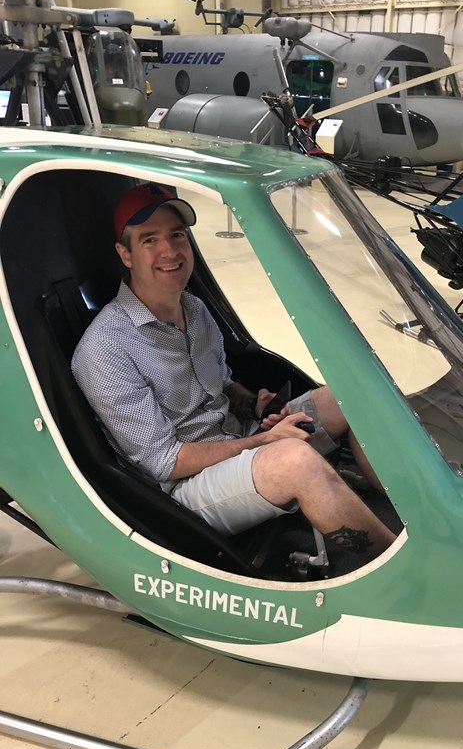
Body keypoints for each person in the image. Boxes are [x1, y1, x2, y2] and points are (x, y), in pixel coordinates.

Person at [72, 183, 396, 559]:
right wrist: (262, 442)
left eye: (177, 235)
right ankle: (409, 572)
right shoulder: (104, 349)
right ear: (125, 254)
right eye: (149, 240)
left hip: (236, 438)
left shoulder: (193, 309)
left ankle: (420, 514)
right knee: (297, 461)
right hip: (184, 491)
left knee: (352, 398)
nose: (170, 251)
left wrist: (253, 406)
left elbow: (222, 383)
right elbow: (165, 462)